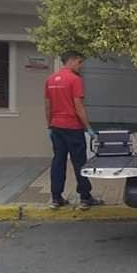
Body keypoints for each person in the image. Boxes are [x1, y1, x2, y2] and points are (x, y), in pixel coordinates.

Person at [44, 51, 103, 209]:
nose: (80, 66)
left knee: (58, 161)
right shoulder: (75, 80)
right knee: (79, 163)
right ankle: (85, 197)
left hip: (56, 127)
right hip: (72, 127)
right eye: (79, 62)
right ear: (72, 60)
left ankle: (56, 198)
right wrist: (88, 128)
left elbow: (48, 106)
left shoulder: (50, 80)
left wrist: (49, 125)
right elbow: (79, 107)